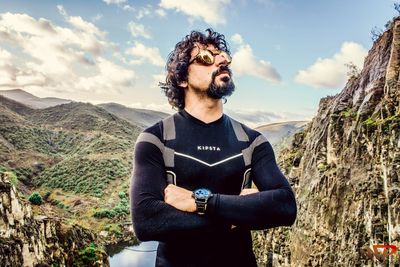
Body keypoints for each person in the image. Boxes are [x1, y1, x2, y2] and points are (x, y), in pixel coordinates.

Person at [130, 29, 297, 267]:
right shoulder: (155, 139)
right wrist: (237, 215)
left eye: (223, 57)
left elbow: (285, 207)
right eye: (206, 58)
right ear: (182, 79)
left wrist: (201, 202)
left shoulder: (252, 141)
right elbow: (147, 221)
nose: (220, 61)